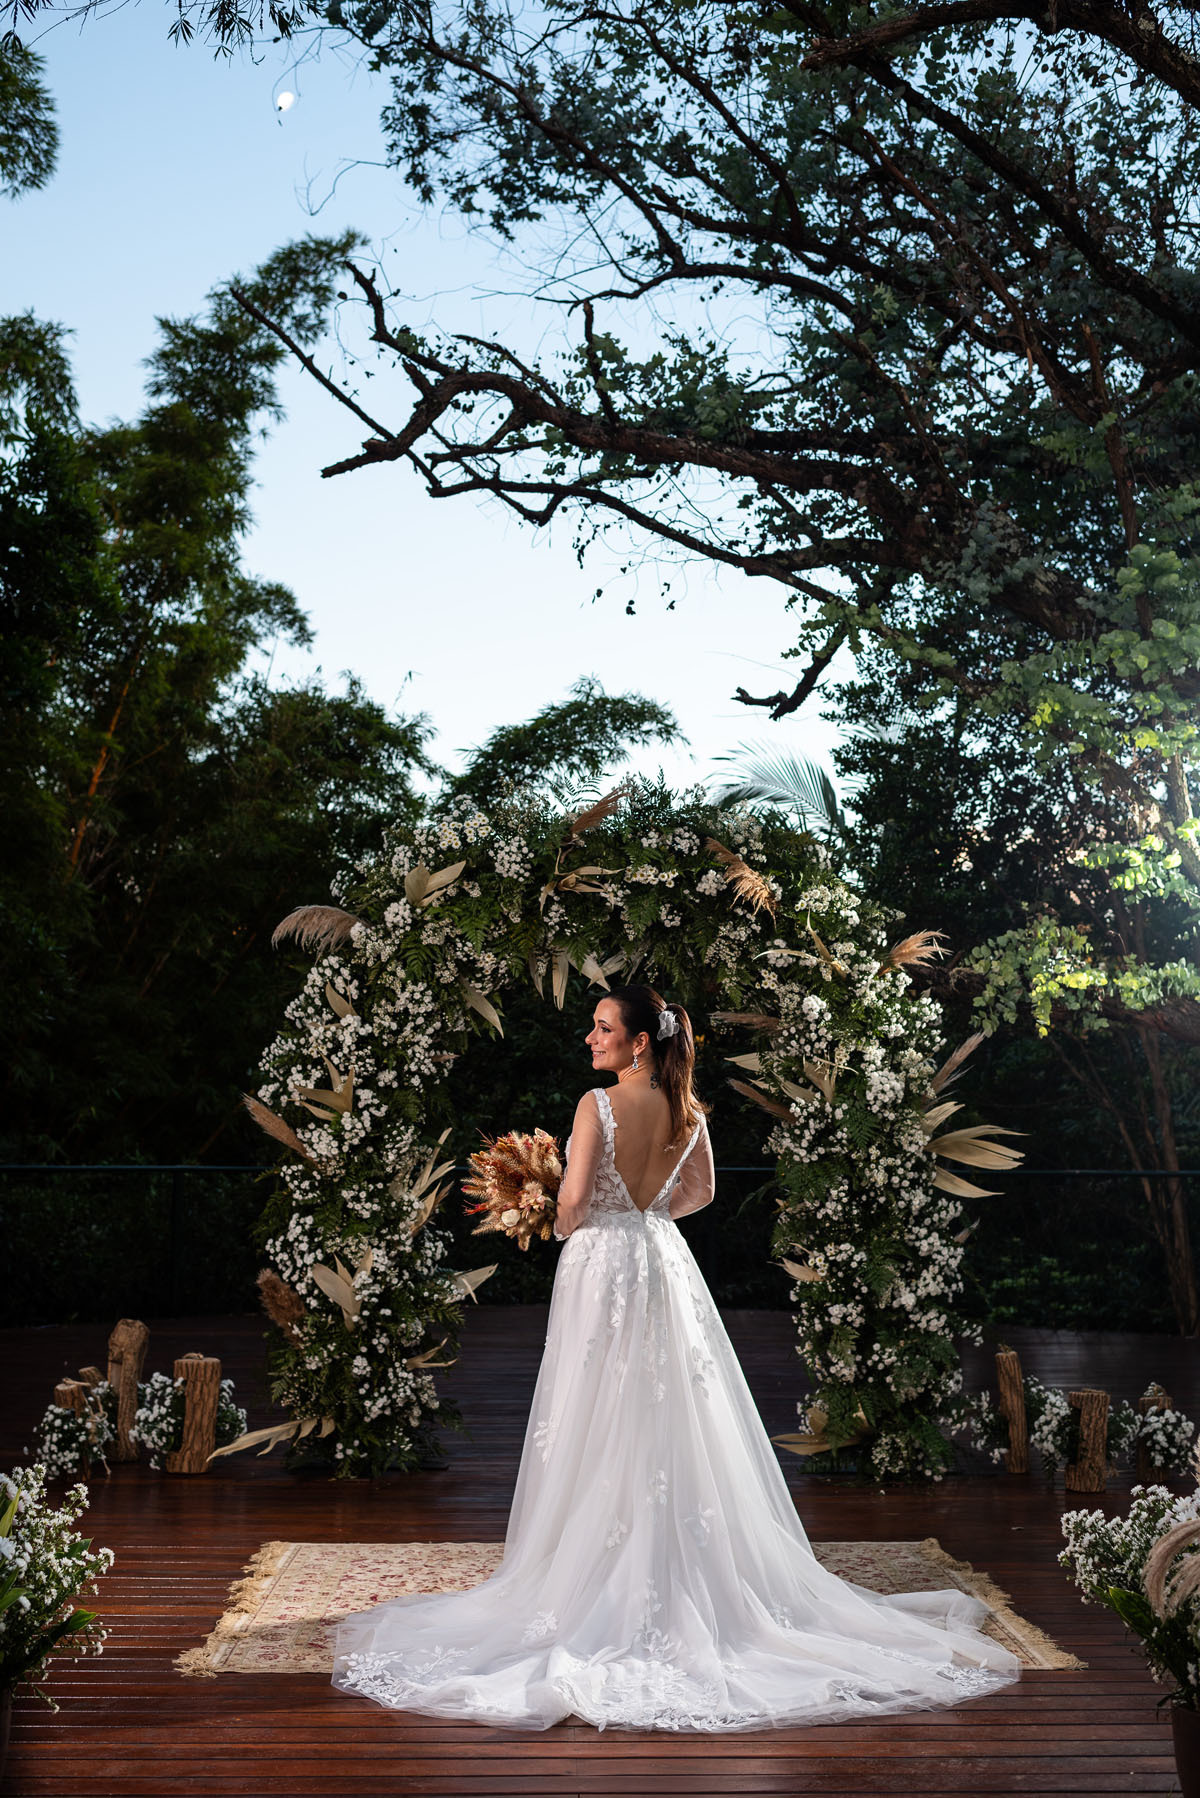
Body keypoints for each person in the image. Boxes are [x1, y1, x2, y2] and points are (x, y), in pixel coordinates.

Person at [332, 985, 1020, 1732]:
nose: (590, 1039)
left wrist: (559, 1209)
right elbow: (702, 1191)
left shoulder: (597, 1105)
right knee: (671, 1407)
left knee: (597, 1406)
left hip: (602, 1264)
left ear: (637, 1044)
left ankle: (593, 1577)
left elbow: (568, 1209)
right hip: (662, 1259)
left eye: (602, 1029)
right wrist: (646, 1213)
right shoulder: (689, 1111)